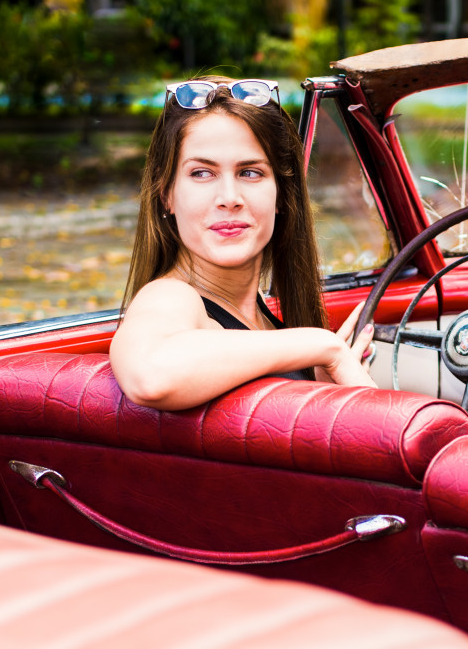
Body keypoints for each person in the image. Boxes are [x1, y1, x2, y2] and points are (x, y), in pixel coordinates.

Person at [109, 77, 377, 411]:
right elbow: (150, 375)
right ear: (166, 195)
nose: (229, 198)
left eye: (250, 173)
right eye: (202, 173)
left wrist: (321, 392)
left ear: (281, 194)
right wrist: (323, 347)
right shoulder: (172, 297)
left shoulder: (266, 320)